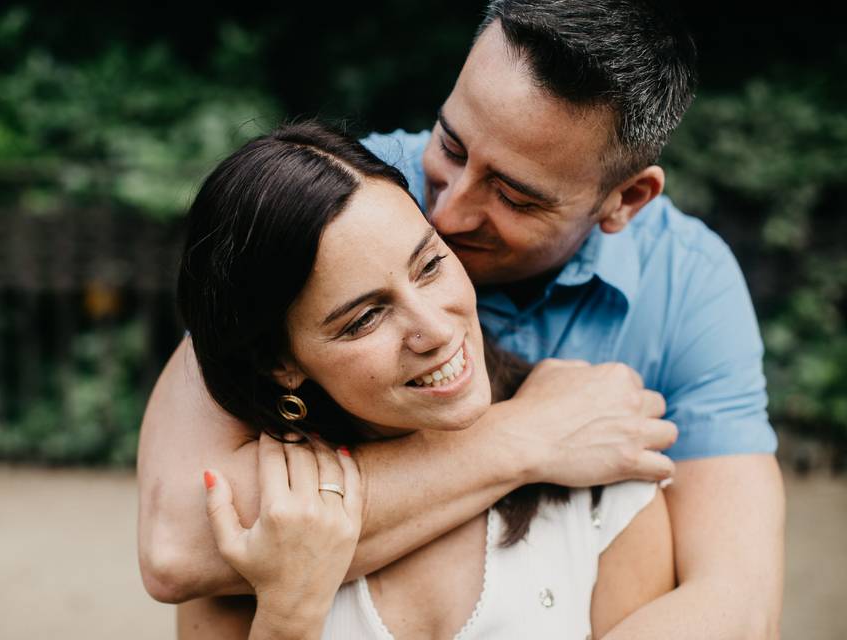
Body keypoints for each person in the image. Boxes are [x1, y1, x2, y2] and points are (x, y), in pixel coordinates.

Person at [138, 1, 785, 637]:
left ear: (625, 199)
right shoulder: (336, 199)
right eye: (451, 143)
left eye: (513, 195)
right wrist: (524, 438)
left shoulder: (690, 284)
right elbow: (177, 546)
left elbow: (738, 603)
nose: (445, 213)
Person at [175, 120, 674, 639]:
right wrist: (289, 614)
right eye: (365, 318)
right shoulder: (254, 533)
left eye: (430, 264)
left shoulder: (607, 465)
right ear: (281, 363)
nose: (436, 329)